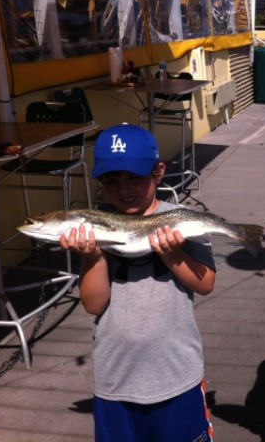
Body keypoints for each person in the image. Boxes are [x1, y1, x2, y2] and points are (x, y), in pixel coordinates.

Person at [59, 123, 216, 442]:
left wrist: (173, 255)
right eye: (112, 180)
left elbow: (205, 283)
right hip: (116, 380)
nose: (124, 189)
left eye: (135, 177)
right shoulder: (97, 227)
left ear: (159, 172)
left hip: (178, 375)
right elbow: (94, 304)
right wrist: (93, 257)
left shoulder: (185, 219)